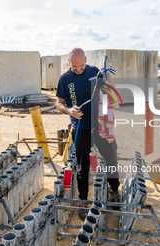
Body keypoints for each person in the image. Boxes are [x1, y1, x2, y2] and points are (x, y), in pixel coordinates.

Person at [56, 48, 120, 220]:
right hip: (81, 127)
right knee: (83, 166)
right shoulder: (64, 79)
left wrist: (108, 82)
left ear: (85, 59)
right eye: (75, 67)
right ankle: (83, 201)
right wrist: (69, 110)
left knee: (111, 155)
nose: (79, 69)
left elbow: (106, 88)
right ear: (69, 63)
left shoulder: (93, 71)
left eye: (82, 65)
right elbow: (59, 104)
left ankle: (115, 190)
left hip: (100, 125)